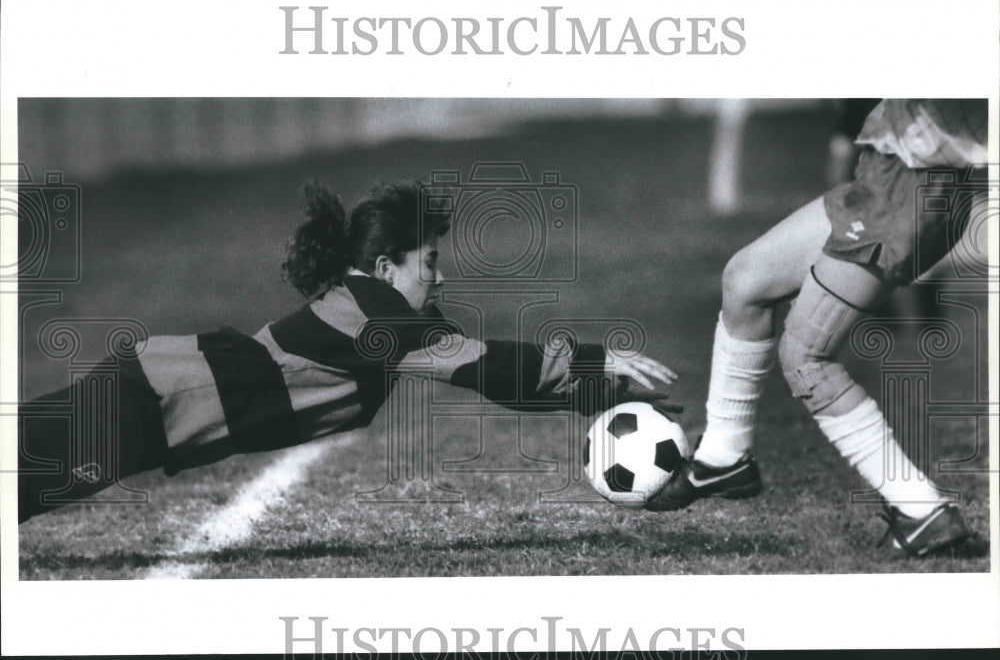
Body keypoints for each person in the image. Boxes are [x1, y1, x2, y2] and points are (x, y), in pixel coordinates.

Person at [19, 180, 681, 522]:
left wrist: (596, 395)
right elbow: (487, 365)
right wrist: (592, 363)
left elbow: (492, 377)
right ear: (388, 264)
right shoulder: (377, 321)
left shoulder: (379, 313)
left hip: (152, 400)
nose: (440, 275)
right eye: (430, 260)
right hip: (146, 398)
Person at [647, 99, 988, 558]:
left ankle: (923, 509)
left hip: (912, 186)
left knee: (807, 357)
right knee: (745, 280)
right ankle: (722, 456)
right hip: (889, 176)